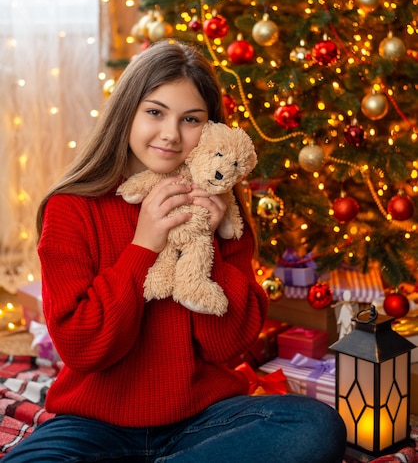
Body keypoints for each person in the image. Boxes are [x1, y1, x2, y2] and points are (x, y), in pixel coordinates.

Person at [4, 40, 346, 463]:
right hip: (94, 423)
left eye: (191, 120)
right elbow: (83, 348)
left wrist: (215, 249)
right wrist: (143, 245)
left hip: (202, 419)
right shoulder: (72, 209)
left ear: (212, 131)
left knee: (314, 427)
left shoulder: (222, 209)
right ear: (126, 111)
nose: (170, 133)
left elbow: (229, 347)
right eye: (155, 112)